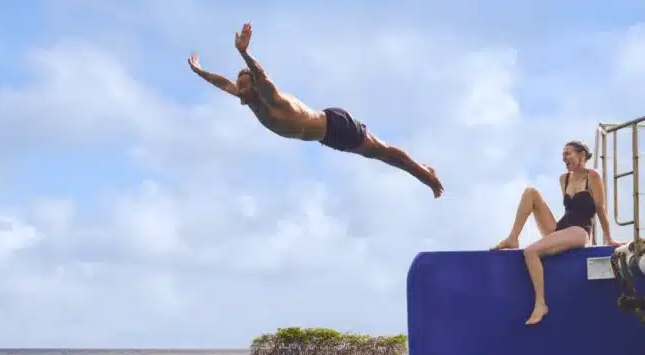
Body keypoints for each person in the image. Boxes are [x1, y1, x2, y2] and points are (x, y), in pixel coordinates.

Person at [187, 22, 444, 198]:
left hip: (334, 124)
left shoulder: (270, 98)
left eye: (243, 87)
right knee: (379, 155)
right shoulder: (249, 99)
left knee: (384, 153)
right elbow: (222, 83)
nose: (238, 91)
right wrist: (199, 72)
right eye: (239, 88)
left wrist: (245, 53)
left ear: (254, 87)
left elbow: (262, 76)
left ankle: (426, 175)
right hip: (327, 136)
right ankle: (423, 170)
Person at [491, 140, 620, 325]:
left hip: (579, 230)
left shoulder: (592, 176)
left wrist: (608, 238)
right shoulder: (564, 179)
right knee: (530, 192)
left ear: (581, 154)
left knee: (531, 252)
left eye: (568, 154)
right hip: (563, 226)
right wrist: (556, 233)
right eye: (562, 155)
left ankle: (540, 304)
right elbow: (570, 209)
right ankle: (513, 238)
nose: (564, 158)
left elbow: (600, 208)